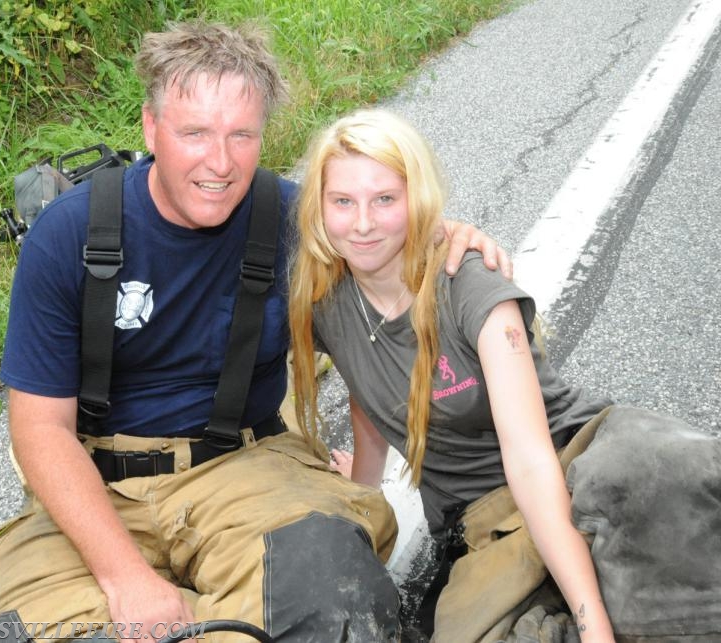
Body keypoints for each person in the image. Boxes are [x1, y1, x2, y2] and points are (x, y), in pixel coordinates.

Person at [0, 21, 511, 643]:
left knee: (336, 608)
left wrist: (448, 236)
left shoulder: (297, 224)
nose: (220, 162)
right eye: (195, 134)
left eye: (242, 135)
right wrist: (126, 577)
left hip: (247, 468)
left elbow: (380, 240)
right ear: (150, 127)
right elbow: (40, 430)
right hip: (97, 483)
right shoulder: (67, 236)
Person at [288, 108, 721, 642]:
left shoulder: (468, 282)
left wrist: (594, 627)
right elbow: (367, 395)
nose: (362, 222)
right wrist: (363, 494)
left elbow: (533, 462)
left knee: (669, 489)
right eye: (343, 202)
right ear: (319, 207)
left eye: (385, 199)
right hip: (486, 518)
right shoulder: (327, 305)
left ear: (416, 199)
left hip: (573, 454)